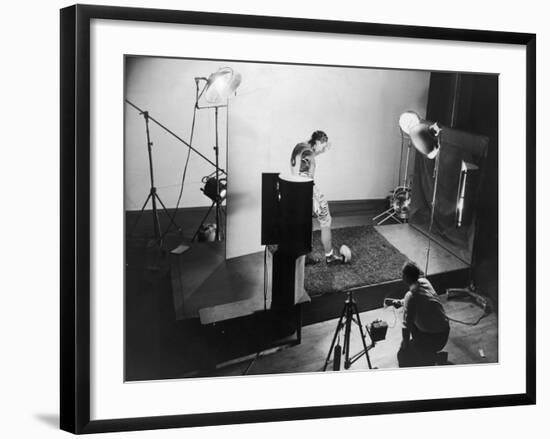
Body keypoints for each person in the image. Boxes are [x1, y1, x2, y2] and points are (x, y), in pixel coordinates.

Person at [290, 130, 344, 265]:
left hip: (294, 189)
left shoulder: (300, 146)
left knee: (305, 224)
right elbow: (306, 177)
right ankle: (330, 257)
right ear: (318, 142)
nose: (324, 149)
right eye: (323, 146)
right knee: (325, 221)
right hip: (306, 189)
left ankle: (304, 256)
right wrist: (312, 199)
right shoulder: (309, 154)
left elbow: (298, 168)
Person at [393, 261, 450, 367]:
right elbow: (422, 298)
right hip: (444, 331)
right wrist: (402, 302)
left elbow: (406, 327)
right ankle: (428, 354)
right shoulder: (424, 281)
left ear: (405, 277)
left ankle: (429, 357)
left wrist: (405, 346)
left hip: (434, 339)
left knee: (403, 356)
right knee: (414, 322)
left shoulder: (410, 296)